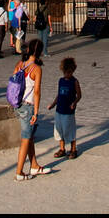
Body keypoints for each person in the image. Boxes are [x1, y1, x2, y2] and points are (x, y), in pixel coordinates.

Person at [13, 38, 53, 180]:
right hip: (28, 106)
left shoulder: (20, 64)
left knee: (29, 137)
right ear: (40, 52)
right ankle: (19, 172)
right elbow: (36, 92)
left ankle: (34, 165)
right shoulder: (36, 69)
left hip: (17, 104)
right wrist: (36, 112)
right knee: (25, 139)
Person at [49, 56, 82, 158]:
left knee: (69, 129)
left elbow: (79, 95)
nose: (68, 74)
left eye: (70, 72)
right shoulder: (61, 81)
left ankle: (73, 149)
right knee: (59, 129)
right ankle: (62, 149)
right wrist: (53, 104)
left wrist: (74, 102)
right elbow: (58, 95)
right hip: (59, 109)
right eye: (66, 72)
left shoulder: (75, 82)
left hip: (69, 111)